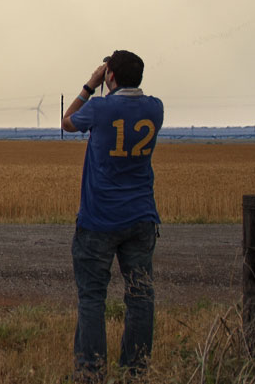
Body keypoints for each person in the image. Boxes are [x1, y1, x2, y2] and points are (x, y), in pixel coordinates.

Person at [61, 50, 163, 381]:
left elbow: (67, 121)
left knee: (92, 298)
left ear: (110, 76)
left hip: (99, 219)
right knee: (140, 296)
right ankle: (135, 371)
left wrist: (89, 86)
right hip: (142, 217)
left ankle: (91, 373)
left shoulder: (100, 107)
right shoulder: (155, 108)